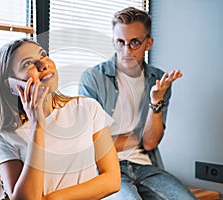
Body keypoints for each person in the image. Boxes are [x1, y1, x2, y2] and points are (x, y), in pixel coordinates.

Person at [79, 7, 196, 200]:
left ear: (148, 43)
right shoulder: (93, 78)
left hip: (146, 166)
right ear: (113, 41)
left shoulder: (157, 80)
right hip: (106, 169)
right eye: (120, 42)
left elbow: (149, 142)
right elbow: (90, 145)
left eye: (134, 42)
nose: (126, 51)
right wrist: (133, 138)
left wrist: (155, 101)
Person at [0, 38, 120, 200]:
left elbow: (112, 180)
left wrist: (51, 199)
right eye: (27, 64)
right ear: (12, 85)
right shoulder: (4, 138)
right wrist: (37, 126)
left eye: (43, 55)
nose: (43, 64)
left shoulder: (87, 108)